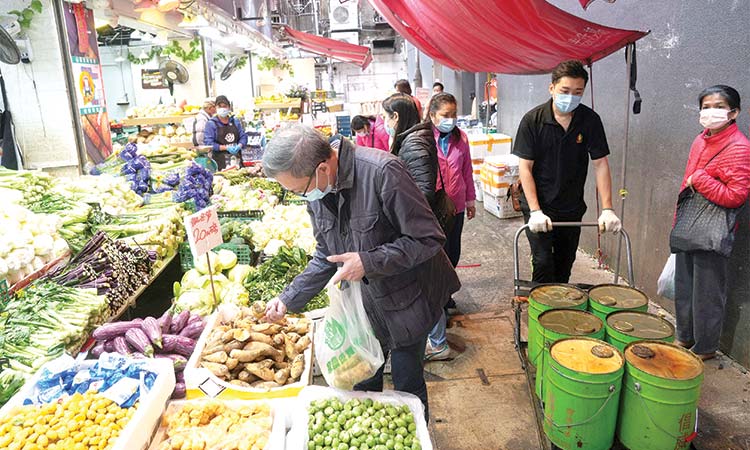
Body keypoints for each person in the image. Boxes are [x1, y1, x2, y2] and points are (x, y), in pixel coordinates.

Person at [262, 124, 460, 418]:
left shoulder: (383, 172)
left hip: (409, 302)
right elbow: (325, 256)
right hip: (364, 309)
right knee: (363, 384)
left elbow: (428, 239)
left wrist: (368, 261)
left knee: (407, 389)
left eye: (298, 190)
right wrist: (288, 299)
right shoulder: (318, 192)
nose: (301, 197)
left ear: (322, 168)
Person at [512, 60, 621, 284]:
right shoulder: (533, 121)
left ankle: (560, 311)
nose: (570, 97)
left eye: (577, 92)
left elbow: (600, 163)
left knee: (564, 263)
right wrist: (535, 211)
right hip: (539, 204)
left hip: (571, 206)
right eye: (565, 91)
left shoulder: (589, 120)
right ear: (551, 88)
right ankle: (541, 313)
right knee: (542, 262)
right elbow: (525, 168)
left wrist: (608, 208)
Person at [673, 85, 750, 361]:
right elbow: (687, 182)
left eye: (718, 107)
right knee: (685, 287)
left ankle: (705, 348)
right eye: (705, 107)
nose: (710, 112)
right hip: (688, 223)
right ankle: (684, 337)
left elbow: (736, 196)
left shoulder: (740, 147)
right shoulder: (700, 140)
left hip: (713, 230)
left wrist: (702, 180)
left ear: (734, 112)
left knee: (707, 293)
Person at [423, 92, 476, 360]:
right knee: (436, 256)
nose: (451, 120)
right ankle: (439, 303)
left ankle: (444, 296)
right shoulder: (423, 140)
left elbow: (466, 170)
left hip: (454, 206)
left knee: (453, 253)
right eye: (445, 115)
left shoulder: (461, 138)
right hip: (431, 209)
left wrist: (470, 200)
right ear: (432, 116)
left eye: (454, 115)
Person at [382, 93, 438, 205]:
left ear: (396, 116)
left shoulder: (413, 145)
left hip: (417, 216)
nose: (385, 123)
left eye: (385, 117)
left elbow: (424, 192)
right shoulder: (412, 138)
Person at [203, 95, 248, 170]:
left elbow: (243, 136)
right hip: (220, 162)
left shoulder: (235, 121)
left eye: (224, 106)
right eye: (219, 106)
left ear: (229, 107)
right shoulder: (211, 124)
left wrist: (240, 145)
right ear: (216, 108)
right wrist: (226, 147)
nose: (222, 109)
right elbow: (209, 143)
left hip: (237, 160)